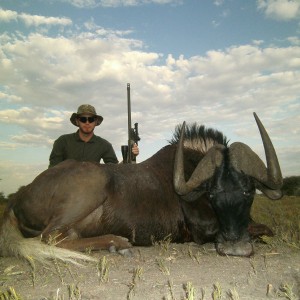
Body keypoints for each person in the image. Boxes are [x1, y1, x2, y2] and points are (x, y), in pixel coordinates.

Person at [49, 104, 139, 167]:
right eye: (83, 119)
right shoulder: (62, 141)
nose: (87, 123)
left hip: (93, 190)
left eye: (91, 119)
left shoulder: (104, 145)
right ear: (77, 121)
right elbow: (52, 171)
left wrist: (129, 157)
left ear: (96, 122)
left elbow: (114, 170)